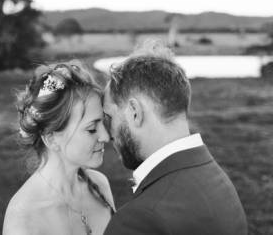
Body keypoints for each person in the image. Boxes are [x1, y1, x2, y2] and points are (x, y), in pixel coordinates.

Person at [103, 41, 248, 235]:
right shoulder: (220, 183)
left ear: (134, 112)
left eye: (109, 118)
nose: (106, 134)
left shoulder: (137, 221)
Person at [3, 61, 115, 235]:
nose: (105, 136)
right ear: (51, 139)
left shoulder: (100, 186)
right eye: (91, 129)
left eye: (103, 123)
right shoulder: (24, 217)